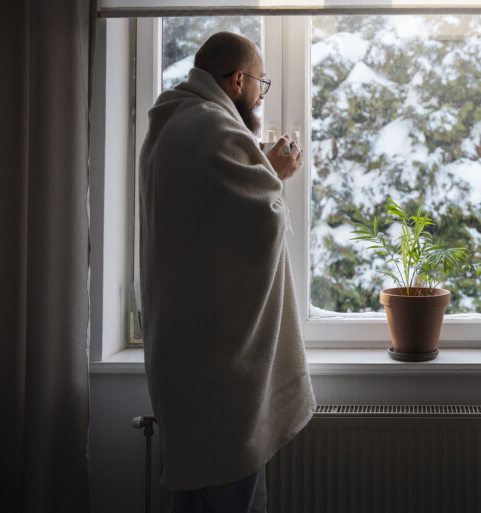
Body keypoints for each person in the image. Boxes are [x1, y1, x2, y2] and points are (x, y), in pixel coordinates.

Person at [138, 32, 316, 513]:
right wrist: (273, 170)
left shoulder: (174, 120)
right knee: (231, 495)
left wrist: (252, 161)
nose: (262, 95)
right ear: (237, 80)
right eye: (262, 83)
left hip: (181, 355)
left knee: (195, 498)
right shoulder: (214, 130)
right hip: (220, 373)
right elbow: (259, 227)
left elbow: (206, 227)